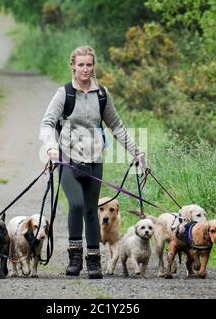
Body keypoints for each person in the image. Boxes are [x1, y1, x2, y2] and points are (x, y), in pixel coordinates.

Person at [40, 46, 146, 279]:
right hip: (68, 160)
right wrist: (50, 146)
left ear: (93, 66)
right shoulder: (64, 94)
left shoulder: (101, 94)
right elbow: (48, 123)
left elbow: (116, 125)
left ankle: (93, 261)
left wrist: (136, 152)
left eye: (89, 65)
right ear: (73, 66)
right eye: (81, 65)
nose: (85, 69)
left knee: (91, 210)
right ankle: (75, 258)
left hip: (94, 161)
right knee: (76, 204)